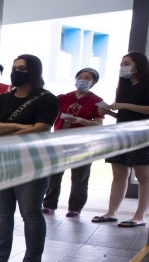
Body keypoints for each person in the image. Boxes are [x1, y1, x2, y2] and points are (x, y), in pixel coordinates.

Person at [0, 54, 58, 262]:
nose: (16, 72)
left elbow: (41, 128)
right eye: (14, 68)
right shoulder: (3, 99)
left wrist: (5, 129)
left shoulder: (47, 99)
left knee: (30, 213)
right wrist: (21, 127)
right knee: (3, 212)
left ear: (34, 71)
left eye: (22, 68)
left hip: (33, 163)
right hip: (3, 162)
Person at [93, 52, 149, 228]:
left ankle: (139, 216)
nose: (123, 67)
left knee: (143, 175)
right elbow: (125, 112)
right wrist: (109, 111)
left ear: (138, 65)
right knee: (119, 174)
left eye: (126, 63)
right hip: (122, 133)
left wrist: (124, 105)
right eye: (121, 64)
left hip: (145, 134)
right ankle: (111, 213)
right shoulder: (124, 86)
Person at [42, 68, 104, 217]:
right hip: (60, 141)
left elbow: (99, 124)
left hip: (83, 144)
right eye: (80, 77)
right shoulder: (63, 98)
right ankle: (49, 204)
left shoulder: (97, 101)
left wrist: (81, 121)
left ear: (93, 82)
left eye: (87, 78)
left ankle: (75, 208)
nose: (83, 80)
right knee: (54, 175)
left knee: (80, 178)